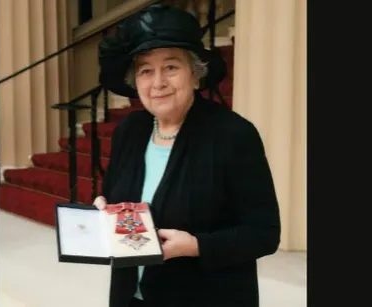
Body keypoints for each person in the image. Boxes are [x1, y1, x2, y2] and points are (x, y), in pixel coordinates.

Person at [92, 4, 281, 307]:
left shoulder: (233, 135)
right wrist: (105, 209)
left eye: (171, 67)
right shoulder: (130, 130)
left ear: (195, 75)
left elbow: (264, 234)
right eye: (145, 70)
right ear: (135, 82)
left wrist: (196, 246)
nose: (158, 82)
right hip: (131, 297)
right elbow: (118, 199)